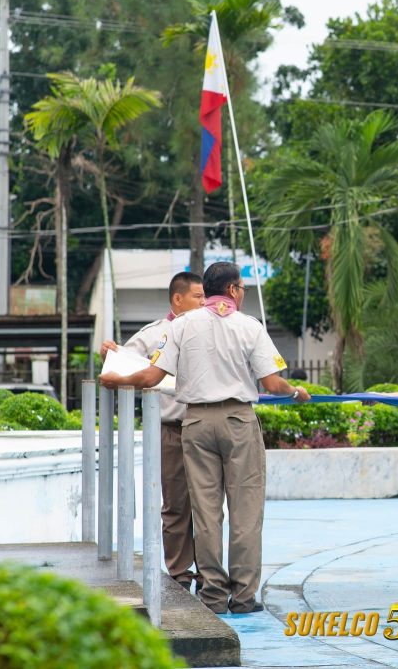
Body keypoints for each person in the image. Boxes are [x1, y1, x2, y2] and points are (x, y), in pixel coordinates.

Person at [101, 262, 309, 615]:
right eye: (241, 287)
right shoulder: (250, 326)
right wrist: (296, 392)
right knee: (245, 512)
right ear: (231, 290)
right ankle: (243, 597)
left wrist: (115, 380)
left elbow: (151, 377)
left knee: (205, 513)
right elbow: (273, 383)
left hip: (195, 422)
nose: (242, 293)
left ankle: (212, 595)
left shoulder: (180, 326)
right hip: (238, 421)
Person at [100, 271, 205, 592]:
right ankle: (180, 574)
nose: (204, 302)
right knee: (175, 505)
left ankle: (210, 575)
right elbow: (121, 362)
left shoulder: (211, 330)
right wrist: (110, 354)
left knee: (208, 506)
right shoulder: (154, 334)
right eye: (198, 296)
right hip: (172, 429)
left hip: (204, 425)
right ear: (178, 299)